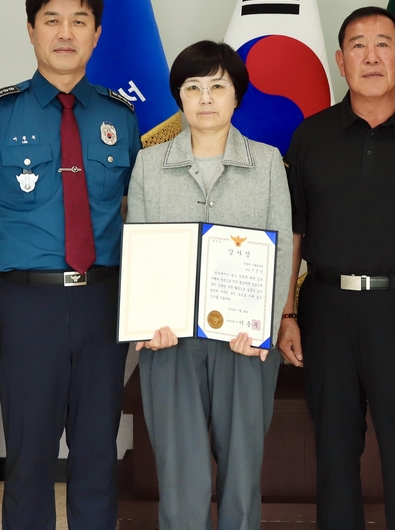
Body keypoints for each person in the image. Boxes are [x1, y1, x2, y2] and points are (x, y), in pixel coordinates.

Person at [0, 0, 139, 530]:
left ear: (97, 34)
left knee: (97, 453)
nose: (65, 32)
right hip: (26, 305)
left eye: (79, 21)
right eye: (51, 20)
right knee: (29, 456)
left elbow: (134, 214)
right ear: (31, 30)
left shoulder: (118, 116)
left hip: (105, 302)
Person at [276, 6, 395, 530]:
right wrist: (288, 311)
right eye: (358, 45)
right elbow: (293, 232)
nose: (371, 55)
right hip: (326, 310)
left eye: (384, 43)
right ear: (340, 61)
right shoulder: (311, 136)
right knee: (334, 450)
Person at [126, 40, 293, 530]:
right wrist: (145, 321)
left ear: (236, 95)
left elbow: (280, 248)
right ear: (179, 97)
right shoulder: (149, 165)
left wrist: (261, 329)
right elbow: (140, 246)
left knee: (242, 474)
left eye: (217, 86)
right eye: (193, 87)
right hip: (169, 341)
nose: (205, 97)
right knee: (181, 475)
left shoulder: (266, 163)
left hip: (244, 345)